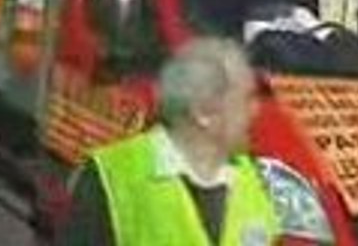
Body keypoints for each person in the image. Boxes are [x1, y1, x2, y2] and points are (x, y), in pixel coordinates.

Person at [57, 37, 279, 246]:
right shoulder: (113, 176)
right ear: (204, 112)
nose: (256, 110)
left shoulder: (253, 177)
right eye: (246, 99)